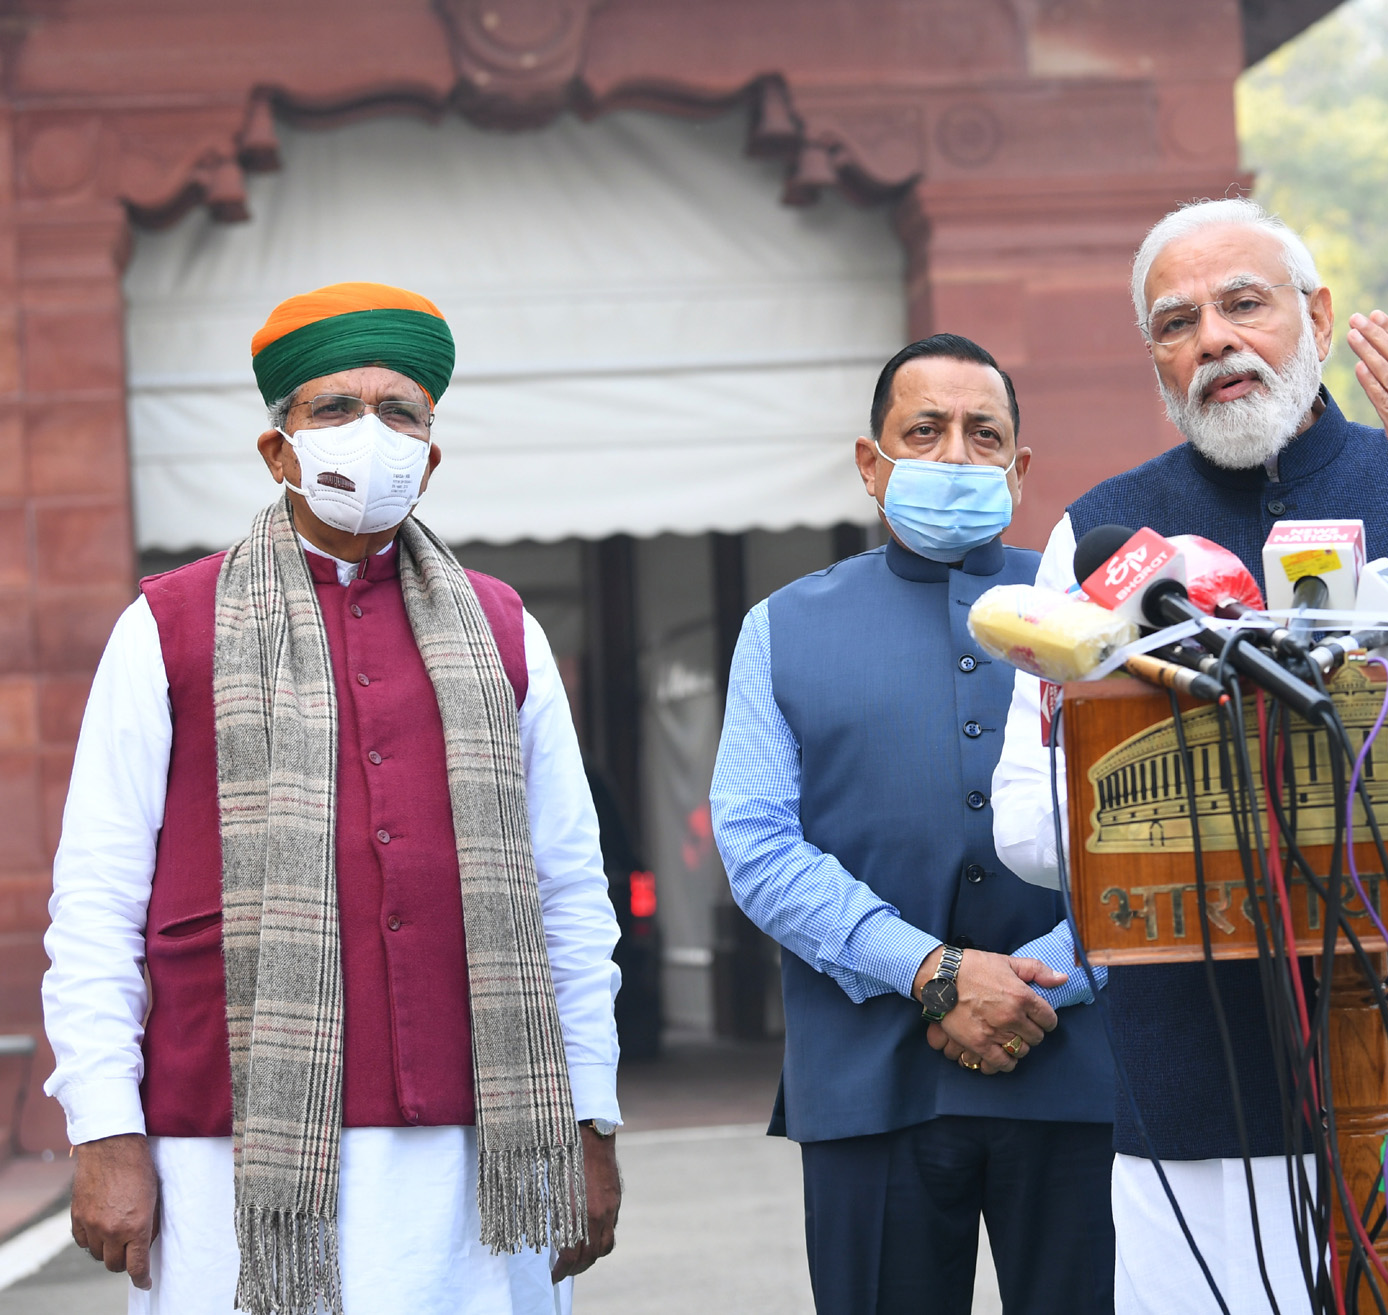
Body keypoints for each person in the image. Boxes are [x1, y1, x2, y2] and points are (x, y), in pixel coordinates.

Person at [990, 198, 1388, 1313]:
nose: (1213, 337)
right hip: (1203, 1091)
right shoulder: (1102, 537)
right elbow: (1024, 821)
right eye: (1178, 321)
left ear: (1313, 315)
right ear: (1156, 359)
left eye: (1243, 304)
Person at [42, 282, 624, 1315]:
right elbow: (96, 899)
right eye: (335, 407)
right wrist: (104, 1129)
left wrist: (589, 1118)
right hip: (228, 1146)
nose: (373, 432)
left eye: (401, 412)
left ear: (431, 456)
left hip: (480, 1147)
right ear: (278, 450)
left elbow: (569, 895)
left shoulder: (503, 630)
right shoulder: (167, 628)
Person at [710, 334, 1115, 1315]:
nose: (954, 454)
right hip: (868, 1075)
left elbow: (1156, 829)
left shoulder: (1098, 615)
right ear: (870, 462)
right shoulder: (785, 626)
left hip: (1079, 1065)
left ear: (1019, 469)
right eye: (922, 431)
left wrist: (1052, 980)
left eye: (984, 435)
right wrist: (931, 970)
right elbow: (757, 845)